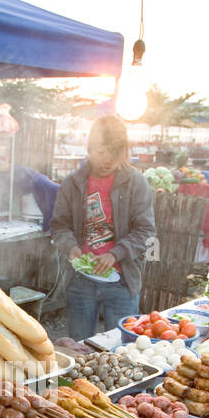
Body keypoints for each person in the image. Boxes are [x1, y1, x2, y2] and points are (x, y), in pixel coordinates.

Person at [51, 115, 156, 341]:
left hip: (122, 280)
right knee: (80, 347)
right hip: (81, 280)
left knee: (122, 349)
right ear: (89, 149)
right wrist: (70, 246)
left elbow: (146, 231)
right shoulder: (73, 182)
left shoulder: (135, 182)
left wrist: (114, 254)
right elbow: (59, 225)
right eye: (101, 151)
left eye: (114, 152)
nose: (107, 159)